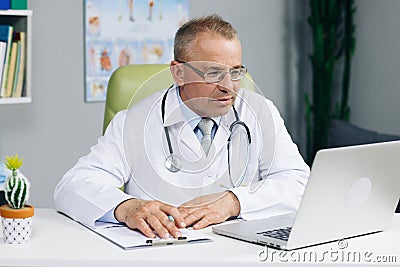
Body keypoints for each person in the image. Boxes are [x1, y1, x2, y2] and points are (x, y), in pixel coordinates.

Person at [54, 15, 310, 239]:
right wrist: (127, 207)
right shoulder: (133, 122)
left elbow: (298, 182)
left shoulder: (260, 112)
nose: (229, 86)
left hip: (239, 251)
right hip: (165, 250)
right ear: (179, 73)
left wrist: (234, 203)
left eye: (235, 72)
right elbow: (73, 185)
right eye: (213, 73)